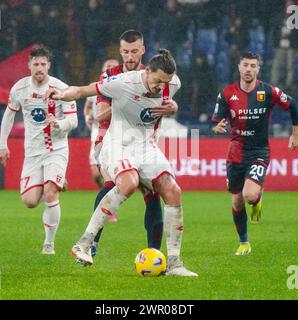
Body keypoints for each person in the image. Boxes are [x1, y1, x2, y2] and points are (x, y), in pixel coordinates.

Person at [47, 49, 197, 277]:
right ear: (147, 71)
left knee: (173, 190)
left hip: (147, 146)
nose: (160, 87)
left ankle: (175, 263)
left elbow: (171, 102)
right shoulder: (122, 83)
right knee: (128, 182)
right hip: (118, 144)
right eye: (157, 81)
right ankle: (84, 243)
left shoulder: (171, 82)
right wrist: (61, 95)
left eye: (165, 83)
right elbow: (82, 90)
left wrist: (173, 107)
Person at [212, 52, 298, 255]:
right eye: (246, 65)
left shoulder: (268, 92)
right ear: (239, 67)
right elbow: (217, 120)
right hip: (235, 152)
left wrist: (295, 133)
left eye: (253, 66)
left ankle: (257, 197)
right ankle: (244, 243)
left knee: (249, 195)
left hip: (259, 151)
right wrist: (217, 127)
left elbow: (293, 104)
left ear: (258, 69)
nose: (249, 69)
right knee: (236, 201)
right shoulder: (226, 94)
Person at [89, 30, 169, 255]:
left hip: (143, 141)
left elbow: (164, 106)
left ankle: (154, 253)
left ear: (143, 50)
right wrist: (130, 101)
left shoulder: (153, 75)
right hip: (111, 139)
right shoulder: (110, 76)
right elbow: (100, 114)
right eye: (125, 52)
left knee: (151, 191)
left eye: (134, 51)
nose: (130, 57)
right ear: (120, 51)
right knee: (110, 184)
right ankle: (92, 241)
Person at [0, 46, 78, 255]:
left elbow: (74, 121)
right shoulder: (19, 89)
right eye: (36, 64)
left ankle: (48, 244)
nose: (39, 68)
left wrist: (58, 124)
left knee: (50, 194)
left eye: (43, 64)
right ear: (29, 65)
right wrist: (2, 144)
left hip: (57, 148)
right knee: (30, 202)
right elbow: (9, 114)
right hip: (32, 152)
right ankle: (57, 181)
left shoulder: (61, 88)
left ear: (49, 65)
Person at [84, 59, 120, 189]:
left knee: (111, 172)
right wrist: (88, 116)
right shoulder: (95, 87)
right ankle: (108, 191)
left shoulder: (123, 88)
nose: (109, 68)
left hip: (117, 134)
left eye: (113, 66)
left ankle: (110, 194)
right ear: (102, 69)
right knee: (96, 174)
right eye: (107, 66)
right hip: (97, 133)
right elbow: (87, 106)